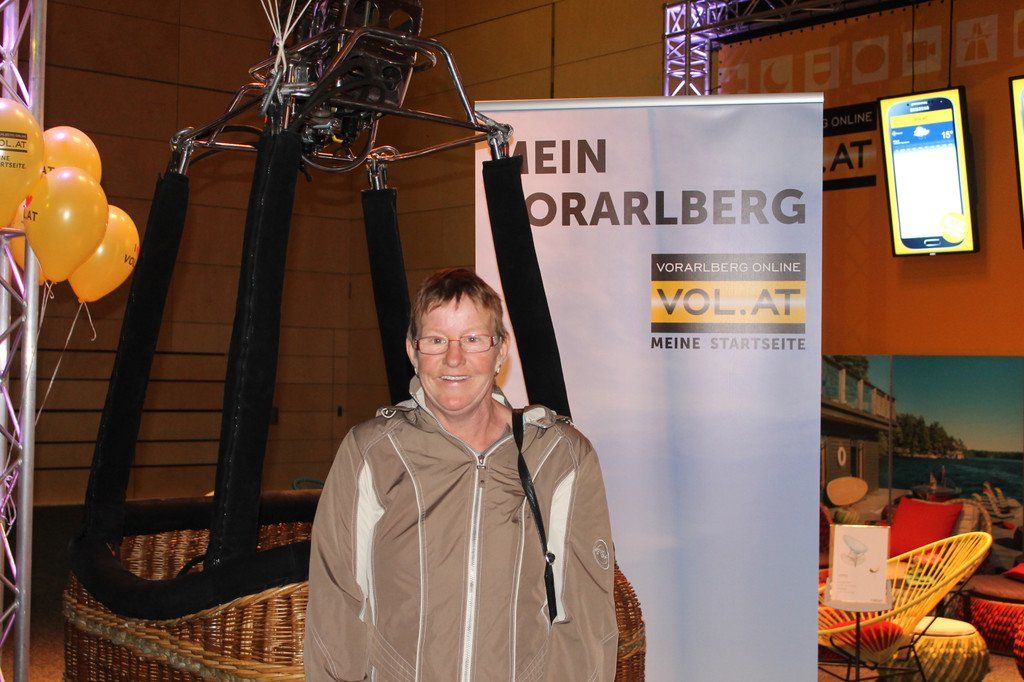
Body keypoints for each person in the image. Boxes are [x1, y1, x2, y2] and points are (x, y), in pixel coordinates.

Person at [305, 268, 617, 681]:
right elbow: (337, 606)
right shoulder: (374, 452)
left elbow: (585, 623)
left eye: (472, 339)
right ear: (413, 351)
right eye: (436, 340)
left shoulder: (559, 456)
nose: (454, 359)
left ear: (500, 350)